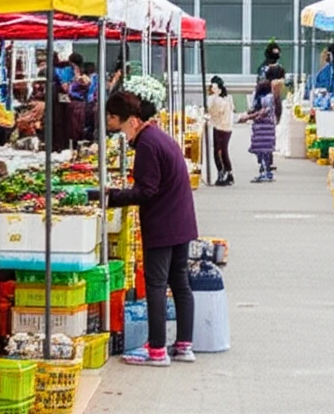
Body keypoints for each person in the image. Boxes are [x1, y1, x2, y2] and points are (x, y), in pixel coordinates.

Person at [95, 92, 198, 367]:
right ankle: (184, 346)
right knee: (179, 282)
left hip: (163, 223)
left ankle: (157, 350)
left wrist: (111, 197)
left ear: (129, 120)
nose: (122, 135)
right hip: (181, 220)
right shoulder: (158, 137)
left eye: (117, 125)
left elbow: (146, 191)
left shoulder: (148, 145)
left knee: (156, 285)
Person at [242, 80, 277, 183]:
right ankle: (266, 172)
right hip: (266, 129)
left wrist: (249, 117)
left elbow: (263, 112)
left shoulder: (266, 98)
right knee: (264, 152)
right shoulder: (269, 97)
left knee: (263, 151)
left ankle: (265, 173)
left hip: (263, 129)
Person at [208, 76, 234, 186]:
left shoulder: (217, 100)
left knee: (219, 152)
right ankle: (228, 173)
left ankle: (222, 172)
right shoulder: (226, 99)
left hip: (220, 127)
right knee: (223, 151)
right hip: (226, 127)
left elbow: (212, 112)